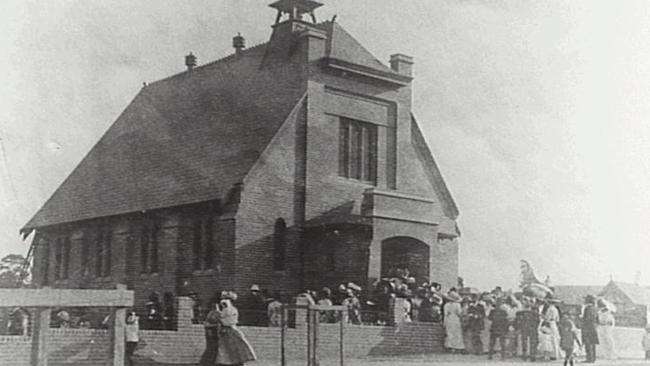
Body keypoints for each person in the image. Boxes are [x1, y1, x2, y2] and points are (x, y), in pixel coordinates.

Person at [216, 292, 257, 365]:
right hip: (224, 331)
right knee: (225, 348)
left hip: (231, 330)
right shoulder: (223, 310)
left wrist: (221, 318)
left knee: (236, 347)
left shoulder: (232, 310)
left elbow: (229, 321)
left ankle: (238, 361)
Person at [199, 297, 220, 366]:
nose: (214, 306)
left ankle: (210, 362)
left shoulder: (218, 313)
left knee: (213, 348)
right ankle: (207, 362)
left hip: (214, 331)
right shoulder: (211, 313)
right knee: (211, 347)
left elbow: (219, 323)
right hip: (210, 332)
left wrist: (209, 325)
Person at [581, 295, 599, 363]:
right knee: (593, 343)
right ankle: (593, 358)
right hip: (593, 327)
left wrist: (582, 319)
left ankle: (589, 358)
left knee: (588, 343)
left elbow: (587, 319)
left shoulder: (587, 308)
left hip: (588, 327)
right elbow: (597, 319)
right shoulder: (595, 308)